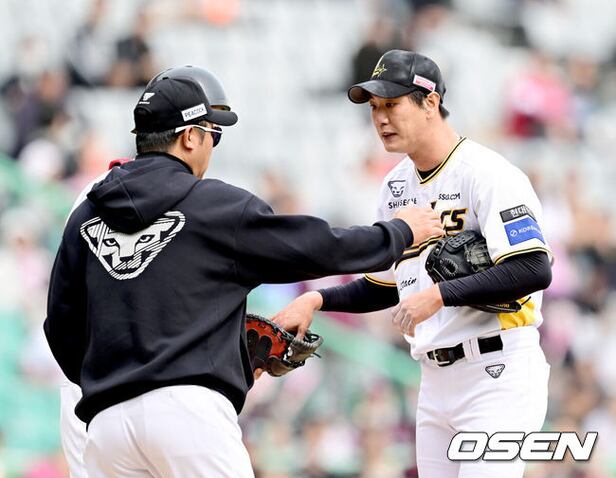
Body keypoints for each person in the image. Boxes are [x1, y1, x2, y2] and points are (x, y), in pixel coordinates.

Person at [43, 65, 444, 478]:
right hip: (188, 413)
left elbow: (60, 327)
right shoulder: (215, 206)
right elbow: (319, 246)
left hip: (108, 428)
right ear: (190, 136)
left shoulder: (86, 214)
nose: (212, 145)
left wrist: (114, 379)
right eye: (213, 134)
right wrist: (399, 233)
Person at [273, 50, 553, 478]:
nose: (380, 118)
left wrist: (440, 294)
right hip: (434, 380)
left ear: (430, 103)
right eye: (374, 107)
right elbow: (383, 286)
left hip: (497, 374)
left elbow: (534, 268)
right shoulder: (395, 186)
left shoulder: (487, 173)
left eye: (392, 104)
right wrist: (317, 300)